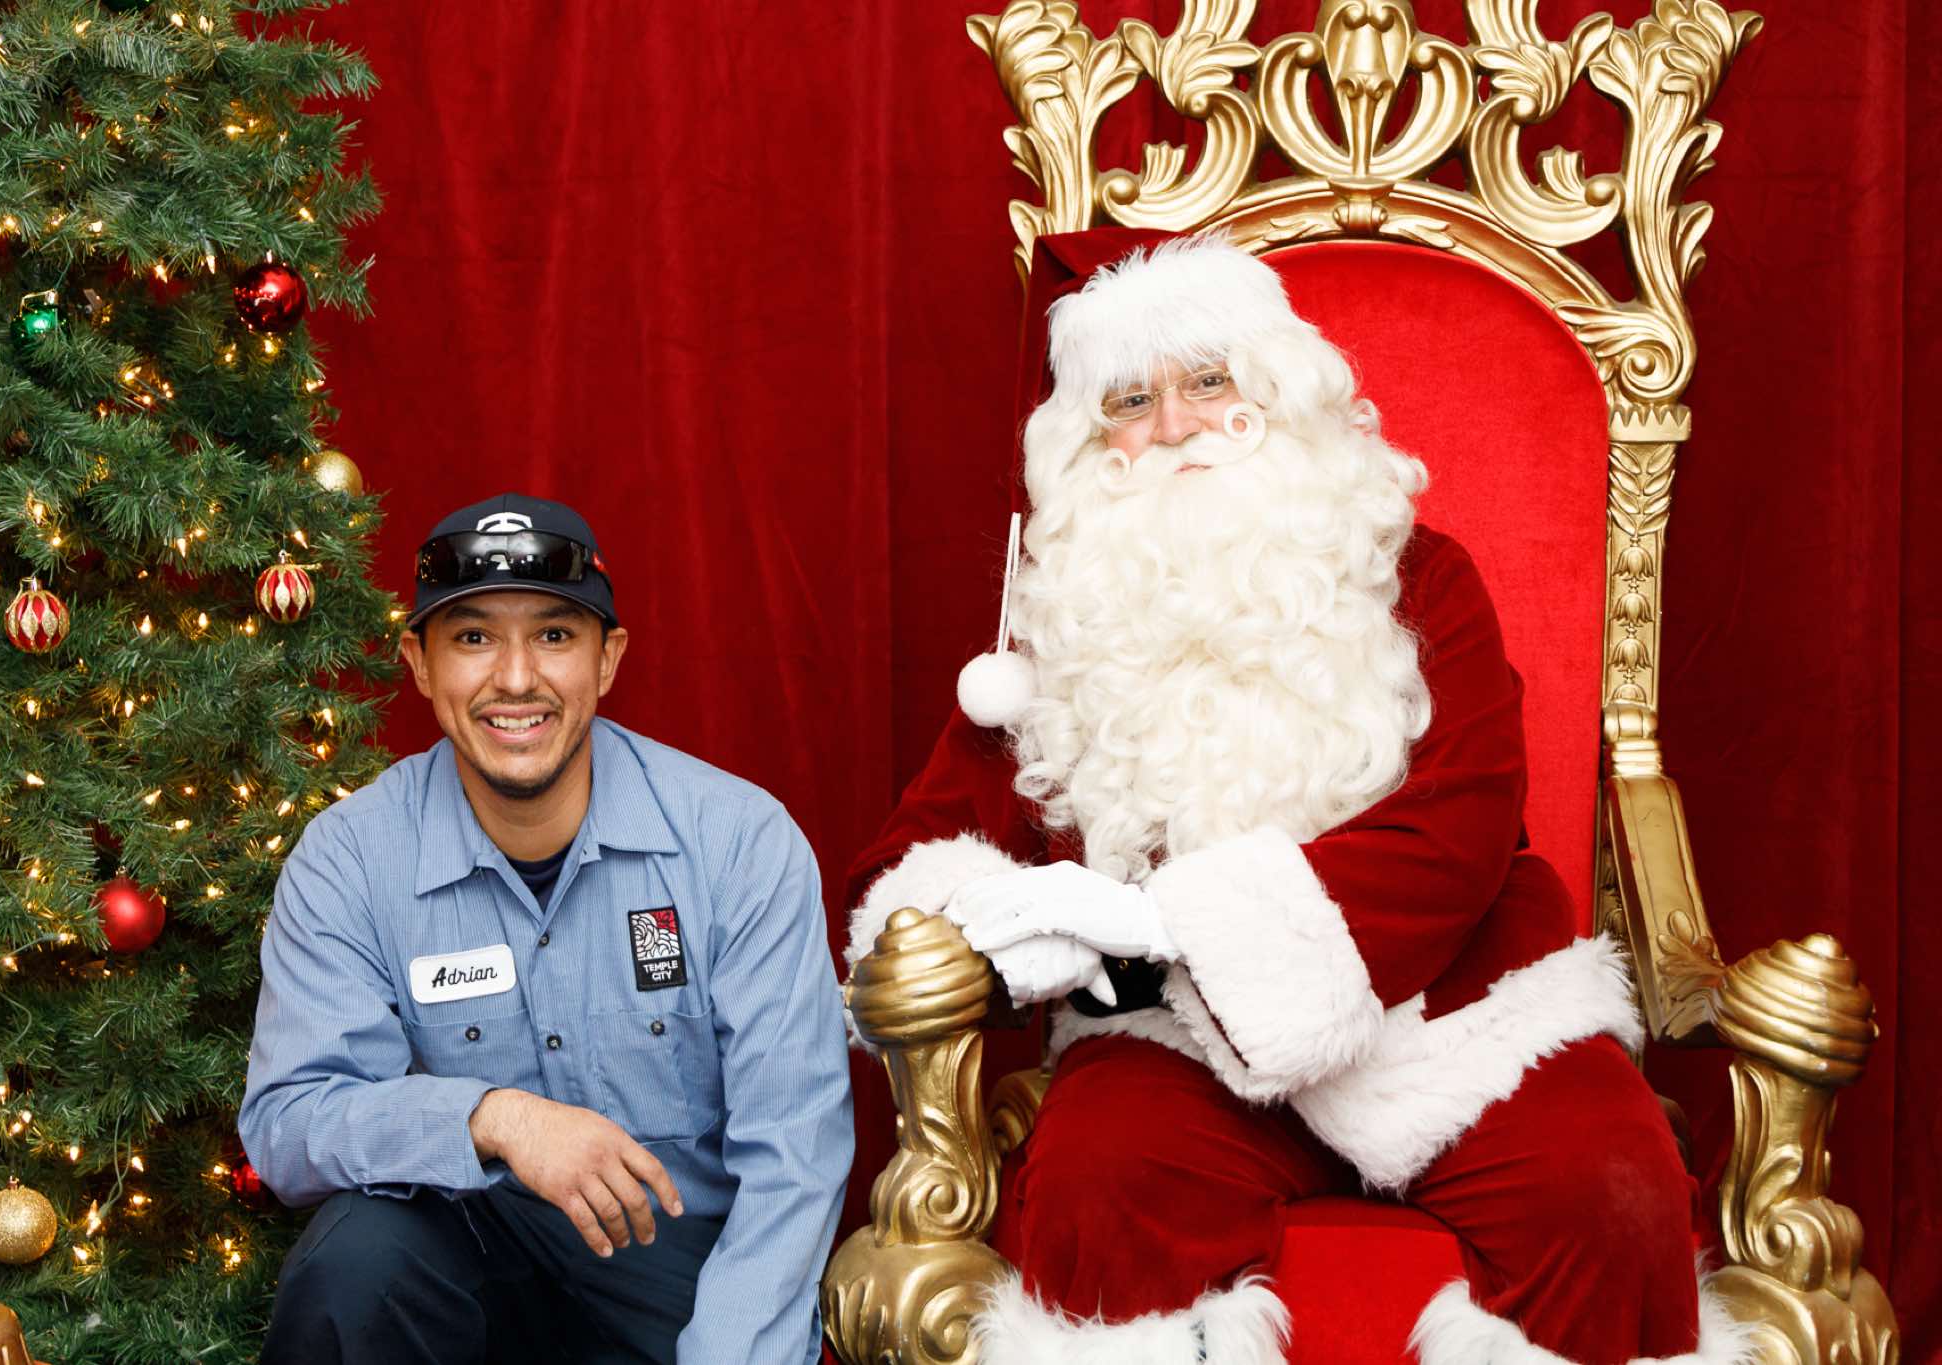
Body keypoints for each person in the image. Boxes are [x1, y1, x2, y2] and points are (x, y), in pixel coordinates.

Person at [844, 237, 1750, 1365]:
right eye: (1130, 400)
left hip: (1449, 1017)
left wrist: (1168, 922)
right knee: (1096, 1184)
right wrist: (997, 931)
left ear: (1278, 389)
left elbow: (1461, 830)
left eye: (1206, 380)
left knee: (1609, 1187)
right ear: (1087, 439)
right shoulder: (1060, 617)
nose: (1175, 425)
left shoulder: (1417, 577)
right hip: (1173, 1038)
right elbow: (925, 851)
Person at [240, 493, 852, 1364]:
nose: (517, 678)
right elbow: (291, 1123)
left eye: (555, 634)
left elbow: (794, 1156)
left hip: (681, 1278)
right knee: (357, 1260)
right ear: (420, 664)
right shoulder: (349, 860)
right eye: (474, 637)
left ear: (608, 659)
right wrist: (495, 1118)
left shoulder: (739, 843)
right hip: (467, 1265)